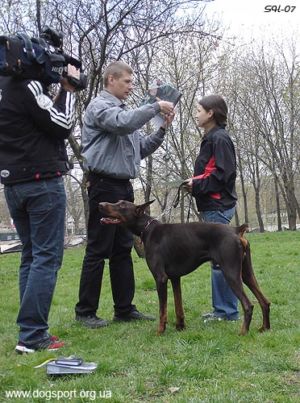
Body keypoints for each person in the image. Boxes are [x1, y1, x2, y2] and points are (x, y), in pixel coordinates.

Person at [75, 61, 175, 328]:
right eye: (127, 82)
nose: (132, 87)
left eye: (132, 82)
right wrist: (154, 106)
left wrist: (163, 128)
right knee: (98, 249)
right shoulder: (100, 107)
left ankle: (124, 309)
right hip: (104, 186)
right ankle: (85, 312)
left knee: (122, 249)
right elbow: (121, 124)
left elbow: (140, 148)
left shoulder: (126, 113)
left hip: (123, 188)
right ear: (111, 80)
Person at [0, 67, 77, 353]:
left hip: (13, 183)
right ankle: (32, 335)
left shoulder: (4, 87)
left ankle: (29, 331)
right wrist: (67, 90)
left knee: (31, 255)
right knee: (46, 257)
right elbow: (62, 123)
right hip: (40, 181)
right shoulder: (28, 85)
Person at [184, 94, 239, 321]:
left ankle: (226, 312)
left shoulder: (220, 139)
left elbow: (224, 175)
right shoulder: (211, 138)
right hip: (211, 205)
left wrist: (197, 185)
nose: (196, 114)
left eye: (199, 110)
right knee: (218, 260)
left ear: (211, 113)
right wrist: (195, 182)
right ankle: (223, 309)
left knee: (220, 261)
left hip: (217, 205)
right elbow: (210, 171)